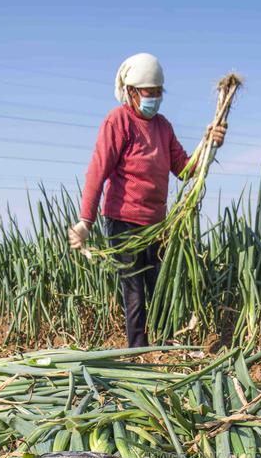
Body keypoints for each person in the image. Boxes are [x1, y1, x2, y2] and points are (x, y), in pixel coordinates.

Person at [68, 53, 226, 348]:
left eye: (158, 93)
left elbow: (185, 170)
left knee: (159, 288)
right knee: (135, 293)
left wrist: (208, 143)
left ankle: (164, 349)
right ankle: (138, 354)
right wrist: (85, 222)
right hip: (123, 222)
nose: (153, 99)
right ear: (130, 92)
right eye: (147, 93)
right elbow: (97, 171)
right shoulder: (118, 121)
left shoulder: (163, 127)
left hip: (156, 225)